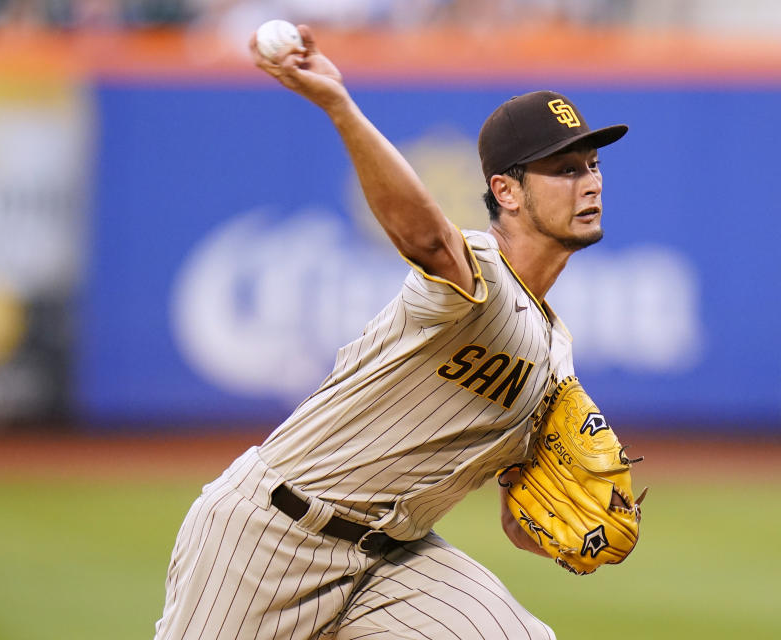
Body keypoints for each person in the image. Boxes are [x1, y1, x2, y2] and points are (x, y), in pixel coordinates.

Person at [154, 22, 627, 640]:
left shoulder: (555, 357)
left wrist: (570, 532)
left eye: (592, 164)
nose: (589, 181)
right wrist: (338, 105)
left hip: (392, 558)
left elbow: (521, 517)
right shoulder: (476, 270)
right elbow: (426, 238)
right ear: (505, 191)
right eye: (564, 169)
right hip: (268, 536)